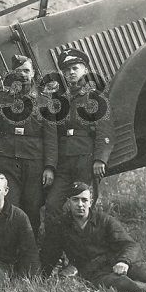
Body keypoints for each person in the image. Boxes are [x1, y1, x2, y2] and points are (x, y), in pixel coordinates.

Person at [43, 47, 114, 218]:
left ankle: (88, 243)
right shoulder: (59, 101)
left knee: (86, 206)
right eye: (66, 70)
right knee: (52, 205)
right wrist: (50, 166)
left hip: (86, 158)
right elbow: (52, 135)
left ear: (85, 70)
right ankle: (58, 243)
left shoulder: (95, 97)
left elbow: (105, 130)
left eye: (75, 68)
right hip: (64, 161)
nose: (71, 72)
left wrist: (99, 159)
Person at [0, 57, 56, 235]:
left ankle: (30, 250)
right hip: (7, 159)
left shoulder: (44, 100)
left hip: (34, 161)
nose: (23, 75)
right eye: (19, 72)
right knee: (8, 205)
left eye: (27, 71)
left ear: (33, 73)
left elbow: (51, 137)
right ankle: (8, 253)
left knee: (32, 206)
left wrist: (49, 167)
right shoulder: (2, 97)